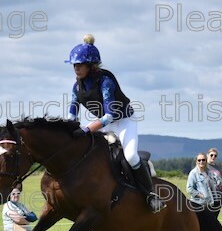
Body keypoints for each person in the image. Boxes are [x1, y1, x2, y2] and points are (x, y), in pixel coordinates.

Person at [66, 34, 163, 212]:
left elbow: (109, 115)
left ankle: (151, 195)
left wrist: (86, 129)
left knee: (131, 156)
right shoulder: (76, 87)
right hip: (103, 123)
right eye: (74, 65)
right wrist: (69, 130)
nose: (76, 69)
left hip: (124, 121)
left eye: (79, 65)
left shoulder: (105, 81)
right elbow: (72, 115)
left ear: (90, 65)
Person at [186, 153, 215, 231]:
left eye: (203, 160)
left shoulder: (209, 172)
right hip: (197, 203)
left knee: (207, 225)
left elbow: (212, 186)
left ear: (206, 161)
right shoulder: (193, 173)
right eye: (199, 160)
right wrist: (200, 194)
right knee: (198, 225)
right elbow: (189, 188)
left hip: (208, 203)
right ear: (196, 162)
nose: (201, 162)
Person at [206, 148, 222, 214]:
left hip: (218, 199)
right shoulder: (204, 167)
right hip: (208, 198)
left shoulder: (219, 169)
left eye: (215, 156)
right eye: (211, 155)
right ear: (207, 155)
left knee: (214, 219)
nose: (213, 157)